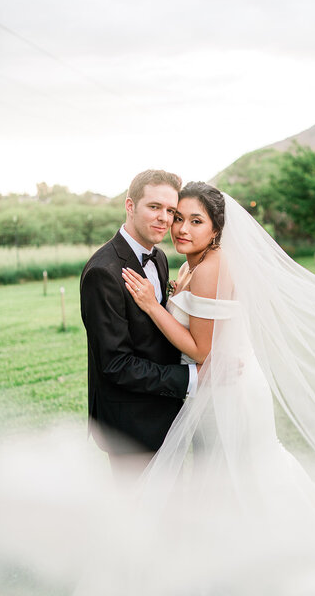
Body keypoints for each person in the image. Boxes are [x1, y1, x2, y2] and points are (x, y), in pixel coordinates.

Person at [120, 181, 315, 592]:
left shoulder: (214, 265)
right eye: (179, 218)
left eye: (196, 221)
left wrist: (151, 306)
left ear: (216, 229)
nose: (182, 228)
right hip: (210, 393)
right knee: (222, 478)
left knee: (251, 474)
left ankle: (289, 560)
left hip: (230, 391)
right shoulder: (189, 265)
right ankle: (234, 561)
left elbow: (201, 349)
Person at [80, 170, 198, 477]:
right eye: (154, 207)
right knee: (137, 520)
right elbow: (116, 363)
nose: (164, 218)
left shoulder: (158, 257)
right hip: (130, 426)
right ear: (130, 206)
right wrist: (190, 377)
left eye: (171, 211)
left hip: (165, 415)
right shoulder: (102, 272)